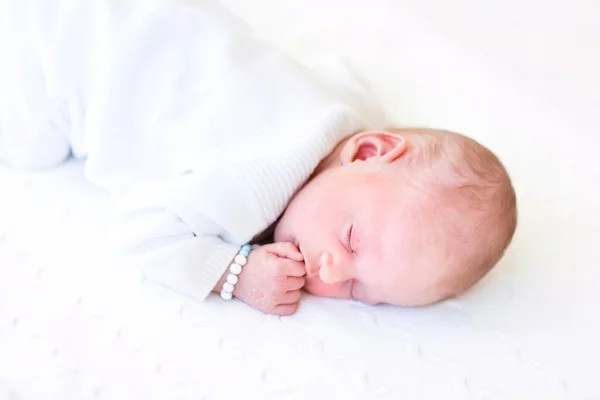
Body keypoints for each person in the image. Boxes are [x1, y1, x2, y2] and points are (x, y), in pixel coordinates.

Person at [0, 0, 516, 315]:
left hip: (159, 17)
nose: (332, 272)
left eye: (360, 291)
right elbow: (139, 233)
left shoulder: (354, 111)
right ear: (368, 150)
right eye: (352, 240)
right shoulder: (252, 188)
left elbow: (336, 67)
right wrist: (233, 273)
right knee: (29, 146)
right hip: (57, 54)